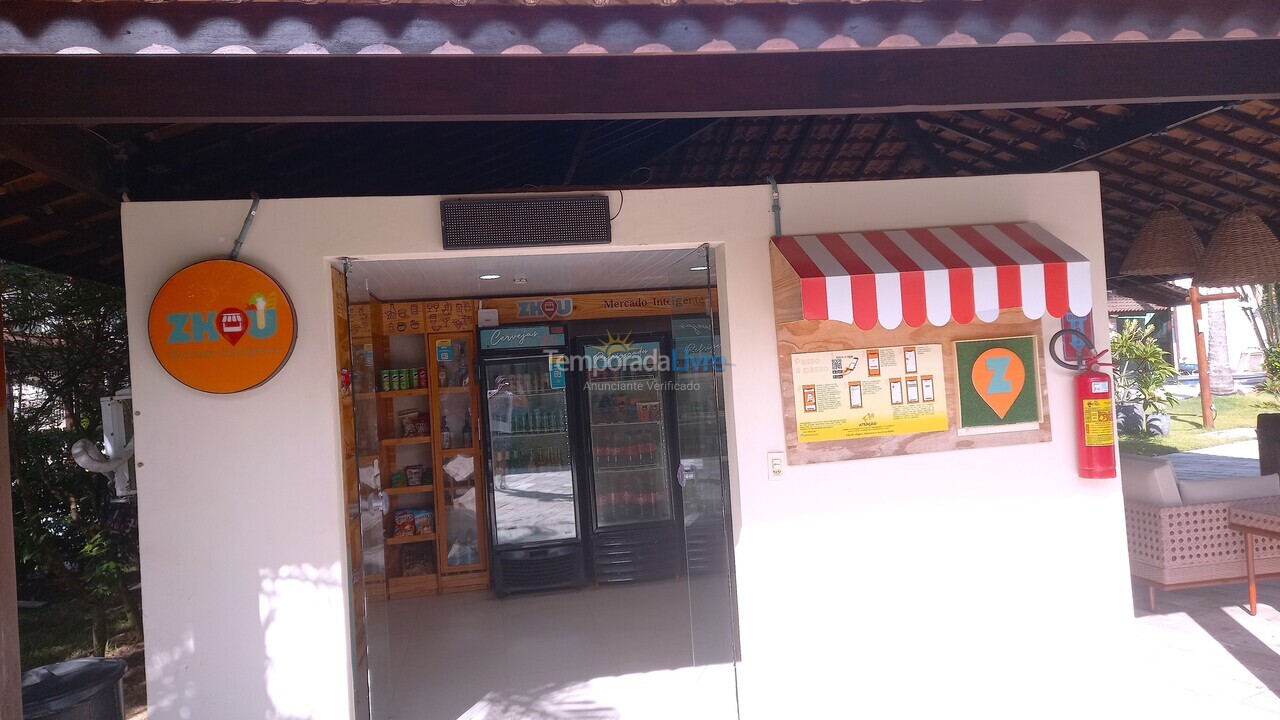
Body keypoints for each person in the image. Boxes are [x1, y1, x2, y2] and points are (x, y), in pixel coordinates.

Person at [486, 374, 526, 490]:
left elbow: (524, 403)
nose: (504, 386)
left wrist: (519, 387)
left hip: (504, 428)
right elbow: (484, 402)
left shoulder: (509, 395)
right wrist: (497, 391)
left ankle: (503, 480)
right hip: (493, 428)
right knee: (493, 456)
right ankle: (493, 481)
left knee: (503, 456)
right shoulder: (490, 393)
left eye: (506, 384)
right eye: (502, 383)